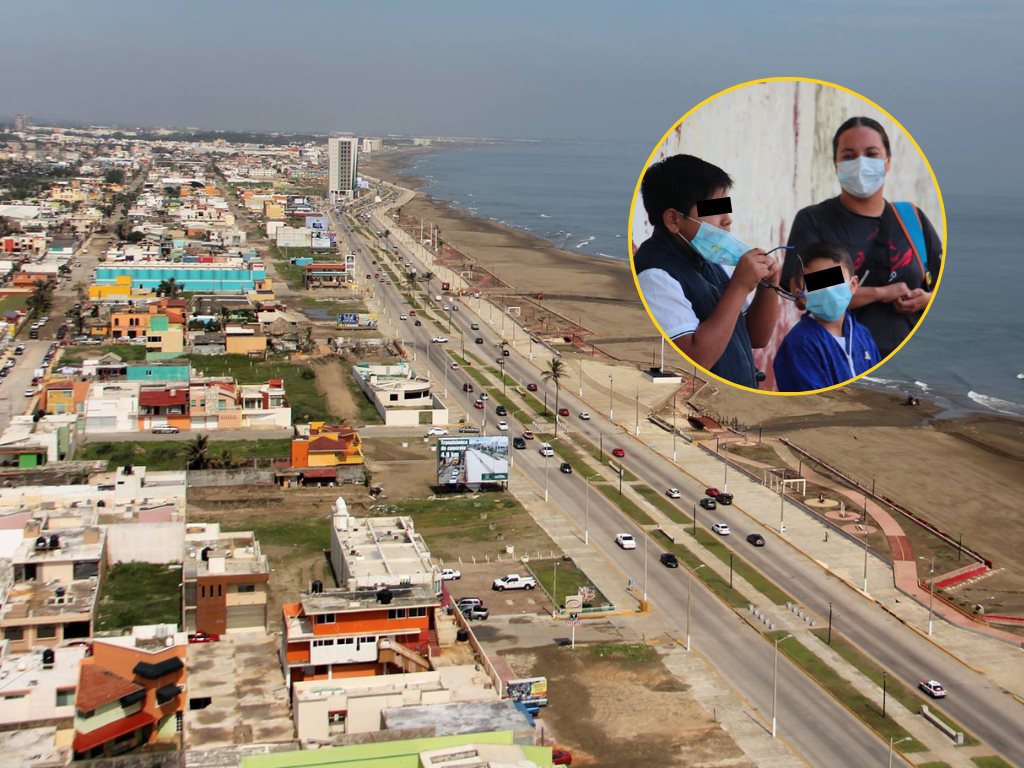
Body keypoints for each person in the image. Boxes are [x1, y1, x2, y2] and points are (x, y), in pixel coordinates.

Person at [781, 117, 943, 358]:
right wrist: (881, 293)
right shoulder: (814, 220)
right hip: (840, 361)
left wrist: (926, 299)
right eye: (848, 156)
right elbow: (804, 293)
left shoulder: (912, 219)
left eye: (871, 154)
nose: (860, 163)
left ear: (887, 163)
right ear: (836, 165)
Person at [633, 154, 782, 388]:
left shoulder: (709, 257)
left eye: (725, 207)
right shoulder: (656, 274)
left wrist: (769, 285)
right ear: (674, 220)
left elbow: (756, 336)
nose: (727, 220)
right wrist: (740, 286)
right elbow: (695, 358)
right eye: (714, 209)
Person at [773, 242, 880, 392]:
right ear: (801, 296)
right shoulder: (800, 343)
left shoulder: (862, 335)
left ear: (853, 284)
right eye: (817, 284)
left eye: (835, 280)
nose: (829, 290)